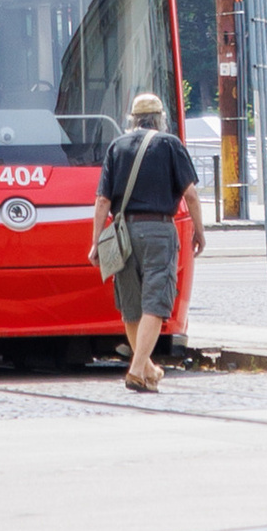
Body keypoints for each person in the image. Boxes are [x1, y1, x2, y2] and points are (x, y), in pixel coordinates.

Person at [92, 91, 203, 392]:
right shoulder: (170, 144)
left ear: (132, 119)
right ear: (160, 119)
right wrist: (200, 232)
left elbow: (102, 201)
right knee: (155, 303)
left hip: (123, 232)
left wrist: (95, 243)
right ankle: (138, 369)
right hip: (160, 232)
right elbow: (190, 195)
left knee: (131, 306)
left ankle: (148, 369)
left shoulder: (117, 146)